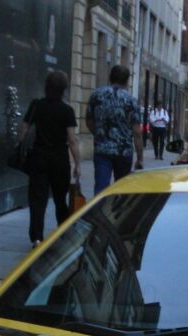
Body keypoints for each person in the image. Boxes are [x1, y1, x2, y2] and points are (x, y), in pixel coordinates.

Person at [21, 70, 80, 247]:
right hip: (59, 159)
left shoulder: (36, 105)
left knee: (37, 199)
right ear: (64, 89)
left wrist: (23, 147)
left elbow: (23, 130)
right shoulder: (67, 110)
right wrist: (77, 164)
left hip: (38, 157)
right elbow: (71, 140)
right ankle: (62, 233)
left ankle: (37, 238)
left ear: (47, 86)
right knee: (60, 198)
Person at [86, 65, 144, 194]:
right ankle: (118, 212)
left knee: (101, 188)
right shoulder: (131, 101)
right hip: (123, 152)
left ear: (110, 77)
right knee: (122, 189)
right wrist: (140, 158)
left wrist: (100, 134)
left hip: (102, 149)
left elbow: (89, 121)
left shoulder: (96, 95)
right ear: (127, 80)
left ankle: (98, 211)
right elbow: (137, 132)